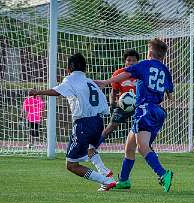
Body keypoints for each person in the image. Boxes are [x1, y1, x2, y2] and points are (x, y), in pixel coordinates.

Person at [95, 38, 174, 192]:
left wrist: (106, 82)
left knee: (142, 147)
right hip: (157, 111)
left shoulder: (144, 64)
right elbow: (170, 93)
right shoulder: (165, 70)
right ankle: (124, 180)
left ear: (150, 52)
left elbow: (125, 74)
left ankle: (163, 174)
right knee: (129, 147)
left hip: (145, 109)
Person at [28, 53, 116, 191]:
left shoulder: (70, 80)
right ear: (85, 69)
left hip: (83, 124)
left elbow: (57, 91)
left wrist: (38, 92)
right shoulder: (89, 82)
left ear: (69, 69)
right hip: (99, 122)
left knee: (71, 165)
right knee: (90, 148)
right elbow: (104, 106)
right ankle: (104, 170)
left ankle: (105, 180)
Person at [88, 49, 139, 172]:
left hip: (138, 106)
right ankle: (93, 147)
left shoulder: (141, 73)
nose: (131, 63)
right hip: (123, 106)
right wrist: (112, 104)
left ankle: (148, 149)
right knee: (111, 126)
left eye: (133, 60)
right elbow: (114, 92)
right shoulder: (119, 73)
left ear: (138, 62)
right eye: (128, 60)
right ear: (125, 62)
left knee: (142, 129)